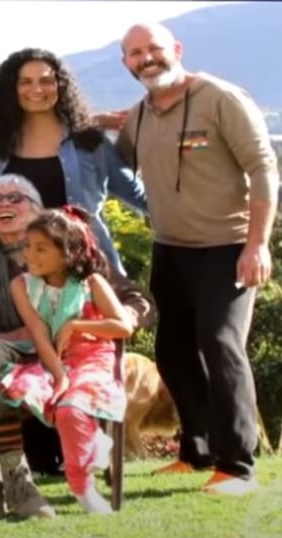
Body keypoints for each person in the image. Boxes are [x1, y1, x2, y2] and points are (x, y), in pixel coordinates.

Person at [115, 22, 279, 495]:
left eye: (154, 49)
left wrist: (257, 243)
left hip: (228, 248)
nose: (146, 58)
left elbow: (262, 166)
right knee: (173, 350)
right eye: (135, 53)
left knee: (220, 344)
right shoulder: (140, 115)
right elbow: (118, 158)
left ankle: (238, 466)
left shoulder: (220, 97)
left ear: (177, 50)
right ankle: (197, 451)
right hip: (171, 250)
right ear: (126, 62)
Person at [0, 174, 153, 520]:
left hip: (66, 358)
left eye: (15, 197)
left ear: (38, 210)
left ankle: (2, 479)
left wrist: (106, 322)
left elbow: (135, 301)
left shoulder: (73, 257)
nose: (3, 204)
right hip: (0, 353)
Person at [0, 47, 148, 276]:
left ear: (61, 85)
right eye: (25, 82)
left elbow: (139, 196)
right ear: (11, 89)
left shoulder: (90, 142)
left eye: (46, 80)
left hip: (86, 272)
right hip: (15, 277)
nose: (37, 89)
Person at [0, 206, 134, 514]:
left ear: (69, 252)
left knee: (70, 409)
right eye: (28, 247)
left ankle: (82, 487)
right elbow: (39, 333)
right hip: (51, 361)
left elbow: (123, 326)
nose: (29, 255)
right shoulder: (22, 286)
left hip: (94, 360)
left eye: (41, 248)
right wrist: (59, 375)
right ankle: (94, 446)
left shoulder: (92, 284)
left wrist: (77, 325)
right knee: (21, 394)